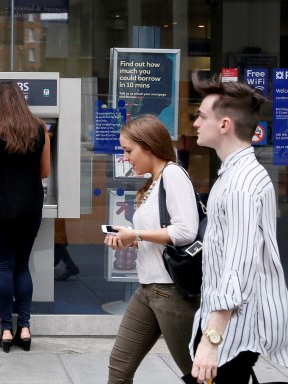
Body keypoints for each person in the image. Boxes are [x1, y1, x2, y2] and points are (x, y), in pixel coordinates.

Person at [189, 73, 288, 383]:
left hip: (232, 333)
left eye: (201, 116)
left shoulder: (241, 184)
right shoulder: (235, 175)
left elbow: (237, 266)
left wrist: (211, 342)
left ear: (224, 125)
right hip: (228, 327)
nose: (195, 123)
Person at [104, 115, 200, 383]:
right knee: (119, 367)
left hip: (171, 292)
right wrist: (130, 240)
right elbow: (161, 235)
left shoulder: (173, 174)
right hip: (148, 290)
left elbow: (185, 232)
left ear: (148, 146)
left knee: (197, 373)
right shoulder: (153, 183)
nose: (125, 158)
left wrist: (135, 233)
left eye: (128, 150)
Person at [0, 81, 50, 353]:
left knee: (3, 267)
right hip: (30, 206)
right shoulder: (40, 127)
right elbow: (44, 172)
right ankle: (25, 328)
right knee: (22, 266)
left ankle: (6, 330)